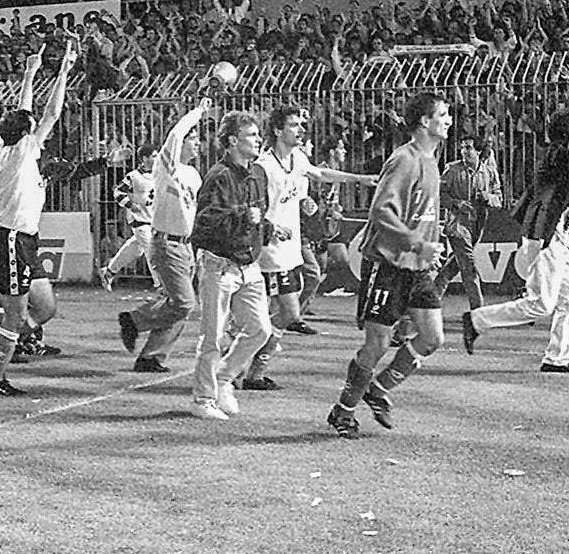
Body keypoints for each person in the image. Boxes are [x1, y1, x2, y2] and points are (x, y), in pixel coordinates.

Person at [326, 92, 451, 439]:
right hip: (387, 264)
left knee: (432, 337)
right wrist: (417, 242)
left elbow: (423, 214)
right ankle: (344, 410)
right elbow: (381, 212)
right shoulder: (405, 160)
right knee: (378, 344)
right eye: (443, 114)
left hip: (417, 267)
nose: (449, 120)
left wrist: (431, 245)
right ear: (425, 122)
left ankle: (378, 389)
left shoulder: (431, 160)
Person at [241, 105, 375, 390]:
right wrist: (270, 225)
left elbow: (320, 174)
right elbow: (251, 203)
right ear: (277, 130)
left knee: (273, 312)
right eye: (293, 125)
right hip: (271, 251)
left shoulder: (297, 158)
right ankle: (247, 368)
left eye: (301, 125)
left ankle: (248, 368)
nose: (300, 130)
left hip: (289, 251)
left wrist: (359, 179)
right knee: (287, 313)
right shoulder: (264, 166)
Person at [0, 36, 78, 396]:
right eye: (31, 126)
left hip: (21, 240)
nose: (40, 128)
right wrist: (64, 69)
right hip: (11, 239)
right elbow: (50, 113)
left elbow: (24, 113)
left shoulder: (10, 151)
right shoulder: (21, 151)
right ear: (25, 133)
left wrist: (30, 74)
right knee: (16, 316)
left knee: (39, 309)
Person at [461, 110, 569, 373]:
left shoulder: (560, 156)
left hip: (555, 236)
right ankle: (476, 321)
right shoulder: (557, 155)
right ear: (568, 133)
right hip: (544, 237)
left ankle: (557, 359)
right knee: (541, 304)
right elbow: (567, 151)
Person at [117, 95, 215, 373]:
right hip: (166, 243)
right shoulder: (165, 165)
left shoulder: (194, 174)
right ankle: (135, 320)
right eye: (193, 139)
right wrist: (197, 110)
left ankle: (151, 356)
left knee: (178, 306)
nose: (198, 144)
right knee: (184, 304)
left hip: (186, 246)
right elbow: (175, 132)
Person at [188, 110, 275, 420]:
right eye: (252, 135)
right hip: (218, 265)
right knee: (212, 336)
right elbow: (203, 226)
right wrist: (241, 217)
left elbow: (258, 214)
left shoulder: (259, 174)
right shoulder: (218, 176)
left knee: (261, 330)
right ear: (233, 141)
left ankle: (224, 378)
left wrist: (268, 226)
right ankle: (203, 400)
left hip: (248, 265)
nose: (258, 140)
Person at [432, 132, 503, 311]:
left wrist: (488, 197)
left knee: (451, 268)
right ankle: (478, 311)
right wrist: (456, 203)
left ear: (478, 151)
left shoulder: (489, 172)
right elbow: (439, 194)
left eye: (469, 148)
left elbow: (499, 198)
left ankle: (427, 299)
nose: (464, 151)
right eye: (463, 147)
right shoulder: (452, 169)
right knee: (469, 268)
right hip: (457, 225)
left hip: (477, 226)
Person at [99, 144, 159, 291]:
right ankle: (160, 286)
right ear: (145, 158)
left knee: (136, 249)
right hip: (139, 220)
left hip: (153, 219)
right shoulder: (133, 176)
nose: (157, 159)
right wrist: (130, 205)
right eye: (154, 156)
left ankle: (109, 271)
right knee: (151, 250)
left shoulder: (159, 175)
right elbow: (118, 193)